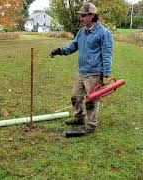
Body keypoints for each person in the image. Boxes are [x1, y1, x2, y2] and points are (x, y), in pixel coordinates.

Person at [50, 2, 113, 138]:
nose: (81, 18)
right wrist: (59, 50)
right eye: (81, 16)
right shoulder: (81, 32)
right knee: (75, 97)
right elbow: (73, 46)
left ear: (92, 15)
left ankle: (90, 125)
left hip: (95, 73)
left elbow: (107, 54)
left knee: (92, 101)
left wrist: (106, 74)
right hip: (82, 71)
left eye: (83, 15)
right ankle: (78, 117)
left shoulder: (104, 33)